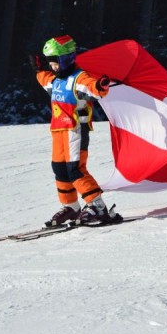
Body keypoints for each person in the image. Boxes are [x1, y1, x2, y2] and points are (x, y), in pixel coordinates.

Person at [36, 35, 121, 227]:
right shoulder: (54, 80)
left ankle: (97, 206)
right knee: (59, 170)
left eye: (55, 62)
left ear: (65, 58)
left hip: (75, 129)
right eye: (50, 63)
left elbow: (93, 88)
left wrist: (100, 86)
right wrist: (39, 68)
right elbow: (43, 78)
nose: (53, 66)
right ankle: (71, 207)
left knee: (75, 169)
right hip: (58, 131)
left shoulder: (79, 78)